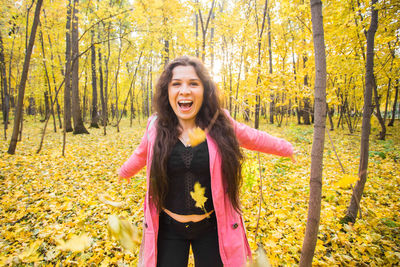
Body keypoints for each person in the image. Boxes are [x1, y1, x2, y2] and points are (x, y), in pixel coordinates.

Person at [119, 56, 294, 267]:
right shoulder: (156, 126)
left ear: (204, 90)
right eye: (177, 84)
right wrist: (125, 172)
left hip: (212, 228)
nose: (185, 90)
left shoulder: (220, 123)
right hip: (168, 229)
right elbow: (141, 153)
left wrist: (287, 148)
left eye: (193, 83)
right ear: (168, 91)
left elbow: (254, 138)